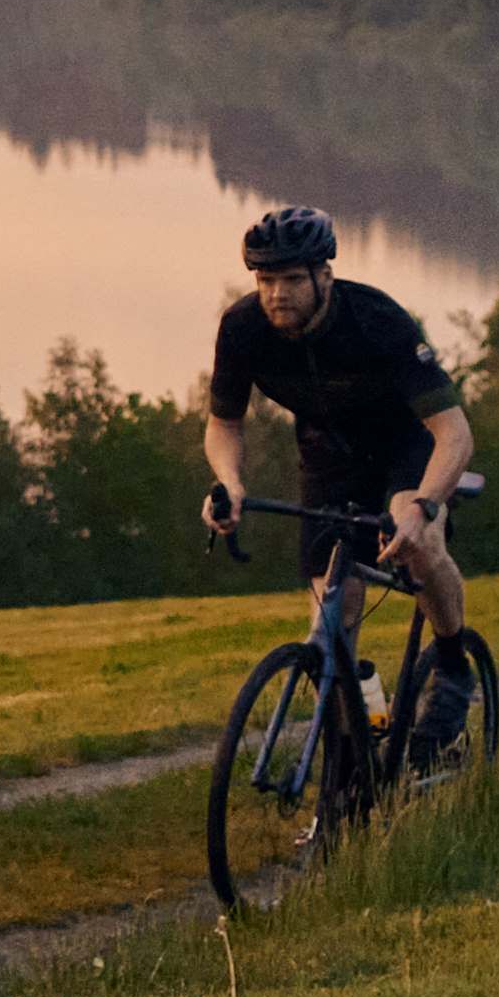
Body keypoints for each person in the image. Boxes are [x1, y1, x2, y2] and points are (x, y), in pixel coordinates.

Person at [202, 204, 477, 735]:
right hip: (328, 456)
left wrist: (423, 507)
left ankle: (451, 666)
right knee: (331, 614)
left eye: (290, 280)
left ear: (324, 275)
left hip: (406, 444)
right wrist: (230, 483)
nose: (276, 293)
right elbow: (223, 424)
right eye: (266, 280)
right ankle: (352, 759)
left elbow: (455, 433)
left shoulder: (377, 321)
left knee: (417, 542)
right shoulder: (242, 328)